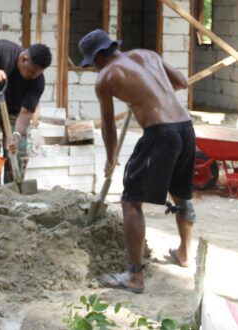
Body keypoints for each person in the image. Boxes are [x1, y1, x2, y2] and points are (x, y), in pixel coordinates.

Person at [78, 29, 195, 294]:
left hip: (161, 133)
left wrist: (111, 157)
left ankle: (134, 277)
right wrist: (149, 93)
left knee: (131, 203)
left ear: (98, 57)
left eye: (92, 63)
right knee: (181, 194)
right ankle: (185, 254)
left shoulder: (105, 77)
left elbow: (108, 125)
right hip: (185, 127)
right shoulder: (147, 54)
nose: (93, 68)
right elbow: (181, 82)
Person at [0, 40, 52, 182]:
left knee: (17, 149)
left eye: (37, 74)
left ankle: (12, 188)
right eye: (31, 72)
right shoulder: (4, 49)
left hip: (15, 113)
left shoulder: (38, 81)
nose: (33, 76)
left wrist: (17, 135)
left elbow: (26, 112)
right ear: (24, 58)